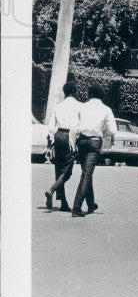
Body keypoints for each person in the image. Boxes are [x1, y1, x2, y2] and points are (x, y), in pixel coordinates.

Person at [69, 82, 118, 219]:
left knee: (86, 172)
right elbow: (113, 130)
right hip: (95, 142)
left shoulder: (81, 107)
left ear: (89, 94)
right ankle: (76, 208)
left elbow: (74, 128)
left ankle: (91, 204)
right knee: (87, 175)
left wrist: (73, 144)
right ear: (101, 96)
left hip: (81, 141)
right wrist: (102, 132)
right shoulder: (106, 109)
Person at [45, 76, 81, 212]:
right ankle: (52, 189)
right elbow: (79, 126)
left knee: (59, 169)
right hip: (69, 137)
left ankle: (63, 203)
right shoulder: (79, 106)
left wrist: (49, 144)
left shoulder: (57, 106)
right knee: (67, 171)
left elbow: (50, 127)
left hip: (58, 135)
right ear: (74, 91)